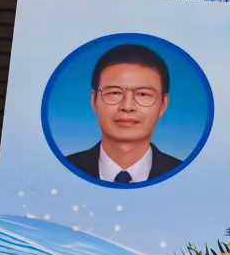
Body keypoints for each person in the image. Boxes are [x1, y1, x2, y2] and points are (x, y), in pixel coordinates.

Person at [64, 43, 182, 184]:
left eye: (143, 94)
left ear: (163, 104)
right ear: (94, 100)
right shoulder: (63, 170)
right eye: (115, 93)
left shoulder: (184, 175)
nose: (127, 106)